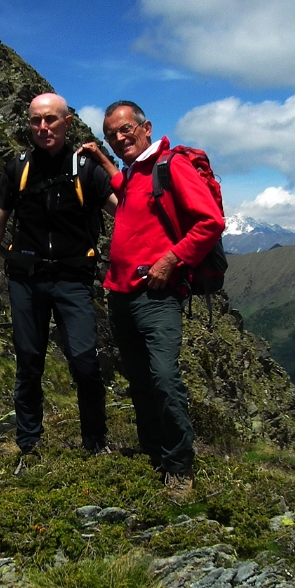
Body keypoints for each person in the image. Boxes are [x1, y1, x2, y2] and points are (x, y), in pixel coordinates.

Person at [0, 92, 115, 457]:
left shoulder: (86, 169)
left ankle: (95, 442)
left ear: (67, 123)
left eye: (51, 120)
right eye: (35, 120)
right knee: (29, 362)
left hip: (73, 280)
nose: (43, 127)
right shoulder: (17, 169)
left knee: (85, 363)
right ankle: (28, 445)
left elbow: (125, 212)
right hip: (25, 280)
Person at [79, 101, 224, 499]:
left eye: (126, 130)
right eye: (112, 134)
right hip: (121, 293)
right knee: (140, 379)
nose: (119, 137)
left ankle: (179, 466)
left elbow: (211, 221)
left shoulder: (170, 165)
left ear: (146, 128)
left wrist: (171, 260)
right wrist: (102, 158)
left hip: (156, 294)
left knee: (162, 376)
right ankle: (154, 454)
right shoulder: (136, 173)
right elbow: (127, 191)